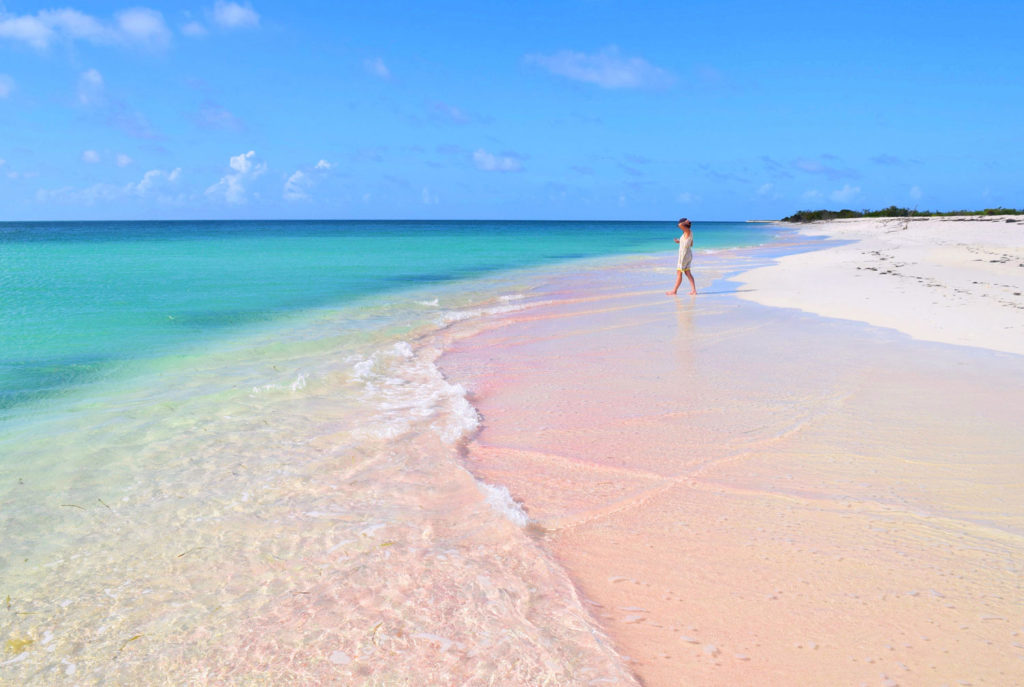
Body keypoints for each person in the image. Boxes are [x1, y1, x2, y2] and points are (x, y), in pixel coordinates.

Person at [666, 217, 697, 296]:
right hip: (688, 254)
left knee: (679, 272)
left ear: (685, 225)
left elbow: (680, 224)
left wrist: (686, 221)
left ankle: (674, 291)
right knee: (688, 273)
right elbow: (691, 244)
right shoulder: (688, 232)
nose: (680, 227)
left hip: (684, 255)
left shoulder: (687, 231)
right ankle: (693, 290)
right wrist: (680, 241)